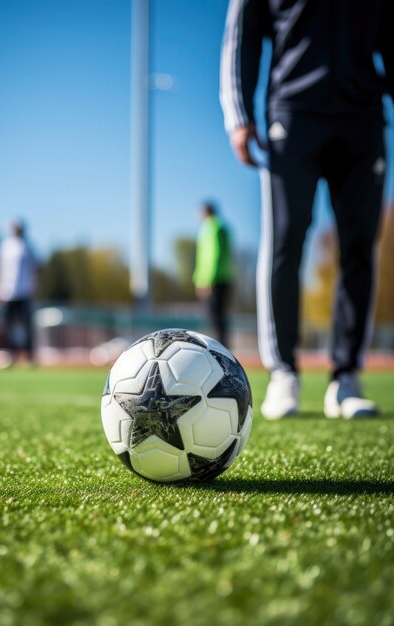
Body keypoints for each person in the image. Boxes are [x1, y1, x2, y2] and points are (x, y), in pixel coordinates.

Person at [220, 0, 392, 419]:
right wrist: (238, 114)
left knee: (359, 248)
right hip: (293, 116)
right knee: (285, 242)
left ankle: (345, 378)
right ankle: (284, 373)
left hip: (362, 118)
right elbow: (240, 39)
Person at [0, 220, 38, 366]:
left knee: (26, 324)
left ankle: (28, 356)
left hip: (24, 292)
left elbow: (36, 269)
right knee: (8, 325)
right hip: (7, 292)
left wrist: (35, 287)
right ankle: (9, 355)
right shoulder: (4, 246)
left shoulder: (29, 246)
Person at [193, 202, 234, 348]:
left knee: (215, 317)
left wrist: (205, 280)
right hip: (226, 277)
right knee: (221, 317)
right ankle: (223, 348)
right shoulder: (223, 226)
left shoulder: (210, 227)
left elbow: (212, 255)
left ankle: (218, 349)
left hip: (214, 279)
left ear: (205, 212)